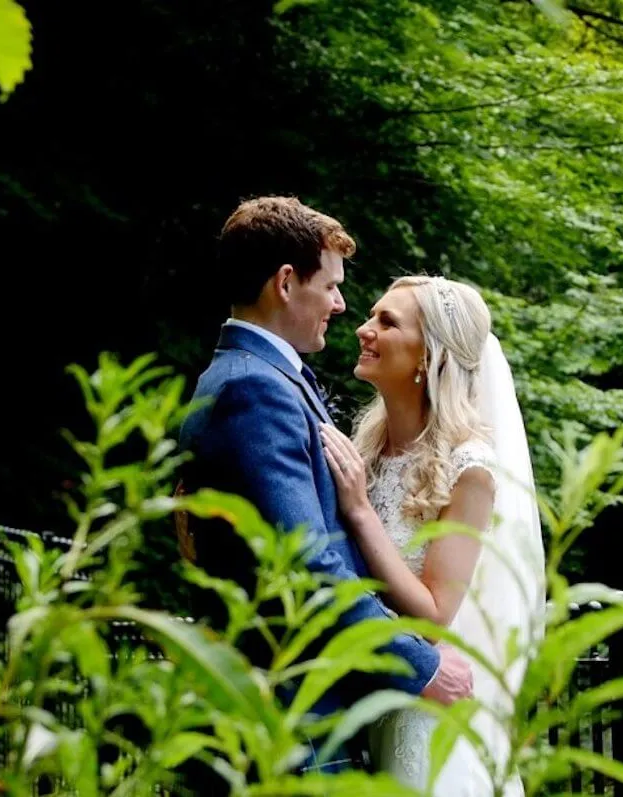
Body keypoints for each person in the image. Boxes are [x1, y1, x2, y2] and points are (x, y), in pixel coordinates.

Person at [176, 197, 474, 775]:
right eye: (332, 286)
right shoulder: (254, 391)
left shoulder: (262, 378)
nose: (341, 304)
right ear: (286, 283)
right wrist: (422, 666)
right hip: (292, 723)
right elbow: (306, 568)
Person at [319, 275, 547, 795]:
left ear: (429, 356)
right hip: (366, 701)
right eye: (372, 316)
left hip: (426, 720)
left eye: (387, 322)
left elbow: (436, 610)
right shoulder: (367, 450)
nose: (362, 329)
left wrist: (359, 511)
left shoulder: (470, 467)